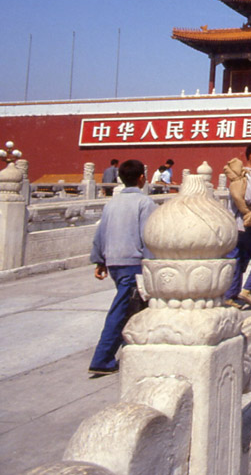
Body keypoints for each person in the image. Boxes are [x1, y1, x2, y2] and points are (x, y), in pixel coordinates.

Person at [87, 159, 156, 377]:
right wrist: (152, 264)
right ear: (142, 178)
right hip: (133, 264)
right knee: (122, 310)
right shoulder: (145, 203)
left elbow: (101, 234)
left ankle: (139, 351)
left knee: (138, 308)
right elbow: (149, 237)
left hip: (114, 263)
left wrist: (99, 260)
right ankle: (103, 358)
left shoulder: (112, 204)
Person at [224, 145, 251, 308]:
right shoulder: (250, 175)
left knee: (238, 260)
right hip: (249, 224)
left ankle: (230, 295)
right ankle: (248, 289)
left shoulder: (237, 178)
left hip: (236, 225)